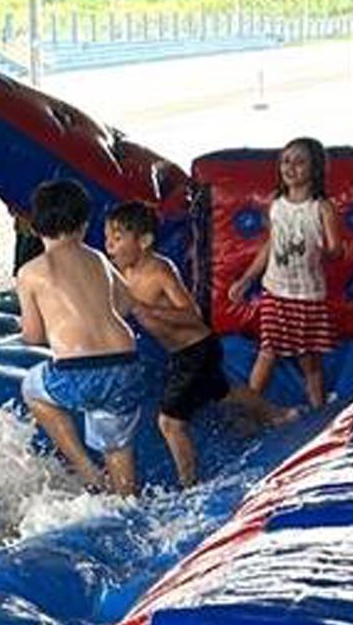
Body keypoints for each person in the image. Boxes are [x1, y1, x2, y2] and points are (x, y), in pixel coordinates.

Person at [105, 201, 296, 488]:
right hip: (180, 354)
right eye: (108, 238)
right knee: (222, 391)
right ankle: (277, 413)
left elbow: (192, 315)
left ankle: (190, 485)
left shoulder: (160, 270)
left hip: (197, 349)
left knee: (170, 423)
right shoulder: (120, 273)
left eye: (117, 239)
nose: (109, 246)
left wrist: (147, 309)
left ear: (144, 241)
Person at [17, 179, 145, 497]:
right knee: (117, 447)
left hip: (78, 370)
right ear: (85, 224)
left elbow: (32, 336)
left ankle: (86, 469)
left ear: (35, 226)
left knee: (32, 388)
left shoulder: (31, 271)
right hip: (125, 363)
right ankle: (128, 502)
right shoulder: (99, 259)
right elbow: (128, 303)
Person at [228, 137, 341, 409]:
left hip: (307, 296)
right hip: (275, 290)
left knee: (308, 359)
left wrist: (324, 249)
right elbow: (271, 245)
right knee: (267, 351)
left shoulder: (322, 208)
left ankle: (318, 408)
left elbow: (336, 250)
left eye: (299, 161)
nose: (290, 167)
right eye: (285, 161)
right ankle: (250, 410)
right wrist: (246, 280)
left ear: (314, 169)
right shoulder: (277, 204)